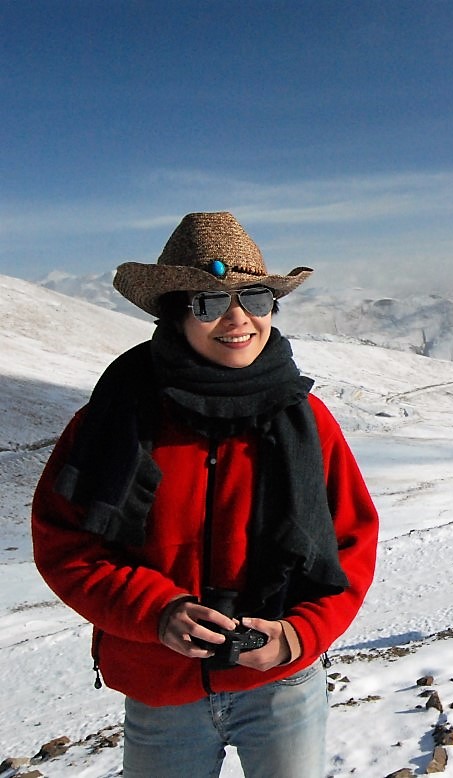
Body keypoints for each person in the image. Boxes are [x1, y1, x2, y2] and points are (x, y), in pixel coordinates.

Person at [31, 212, 380, 777]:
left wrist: (298, 635)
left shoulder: (308, 421)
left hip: (281, 683)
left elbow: (351, 543)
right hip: (160, 689)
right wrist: (157, 612)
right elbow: (65, 545)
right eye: (210, 302)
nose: (238, 319)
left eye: (257, 298)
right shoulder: (114, 421)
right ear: (177, 311)